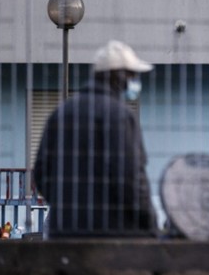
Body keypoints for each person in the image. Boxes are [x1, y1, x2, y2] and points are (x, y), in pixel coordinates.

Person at [33, 40, 157, 238]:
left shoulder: (60, 113)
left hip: (64, 234)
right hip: (111, 237)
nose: (135, 81)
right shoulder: (119, 115)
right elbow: (130, 178)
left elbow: (41, 172)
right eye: (132, 75)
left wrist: (66, 206)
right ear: (119, 76)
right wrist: (149, 223)